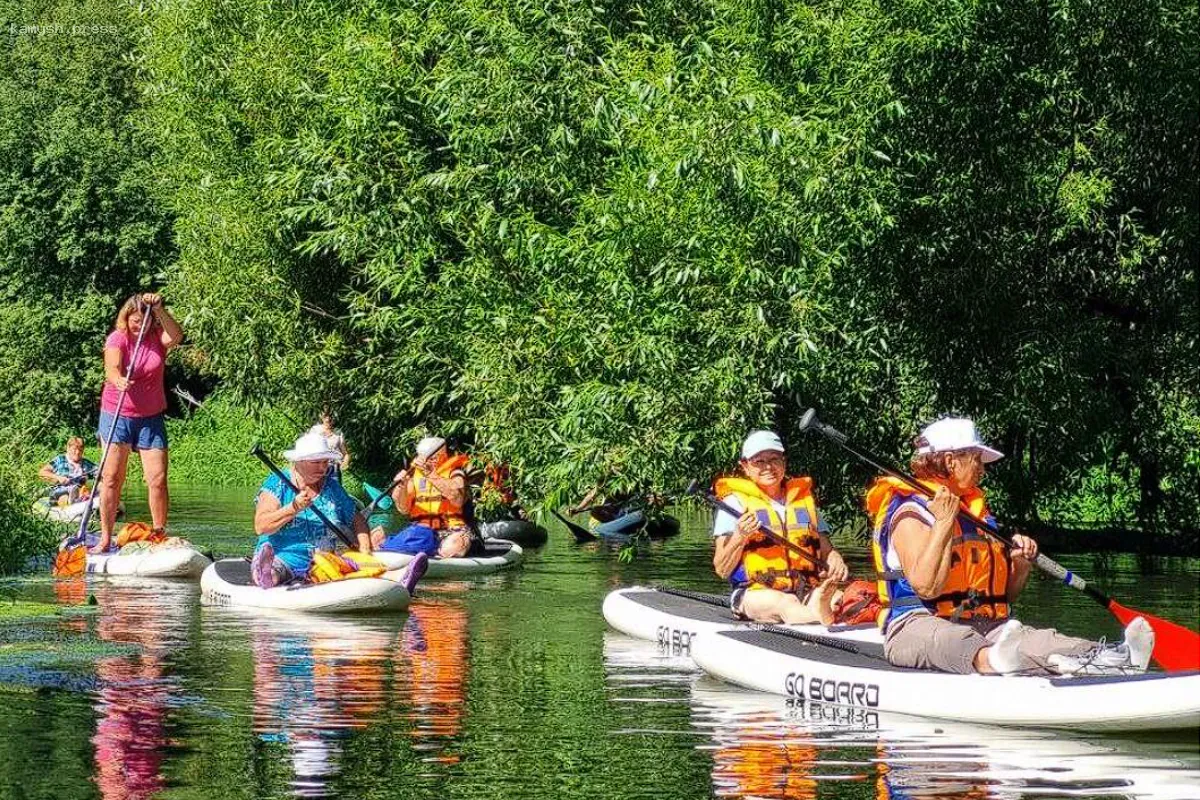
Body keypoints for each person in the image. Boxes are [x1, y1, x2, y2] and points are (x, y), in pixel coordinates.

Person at [868, 416, 1154, 676]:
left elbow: (1007, 597)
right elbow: (926, 587)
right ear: (951, 460)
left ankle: (1114, 657)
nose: (982, 468)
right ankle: (995, 660)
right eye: (977, 459)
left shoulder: (976, 516)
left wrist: (1020, 564)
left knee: (1045, 639)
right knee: (955, 640)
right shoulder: (910, 513)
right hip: (915, 627)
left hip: (987, 626)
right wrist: (943, 523)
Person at [252, 432, 428, 593]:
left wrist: (365, 549)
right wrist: (293, 508)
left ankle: (396, 578)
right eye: (316, 462)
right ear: (298, 462)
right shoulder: (277, 483)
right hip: (284, 557)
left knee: (351, 563)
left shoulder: (332, 487)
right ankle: (267, 574)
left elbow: (356, 520)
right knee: (277, 570)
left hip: (323, 560)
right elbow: (261, 526)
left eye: (325, 462)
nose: (322, 468)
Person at [712, 430, 849, 624]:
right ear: (745, 466)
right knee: (786, 602)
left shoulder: (803, 500)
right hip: (755, 592)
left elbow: (827, 551)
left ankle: (828, 610)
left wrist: (835, 559)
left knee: (843, 600)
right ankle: (823, 616)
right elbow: (722, 569)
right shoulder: (733, 505)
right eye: (759, 461)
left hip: (806, 589)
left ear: (784, 462)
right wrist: (740, 536)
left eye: (774, 459)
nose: (768, 467)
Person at [92, 293, 183, 554]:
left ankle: (158, 533)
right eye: (134, 320)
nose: (138, 324)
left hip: (150, 417)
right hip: (117, 415)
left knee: (157, 479)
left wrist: (160, 309)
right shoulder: (117, 338)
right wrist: (118, 379)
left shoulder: (157, 338)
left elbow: (176, 336)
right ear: (126, 318)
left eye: (143, 319)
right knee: (111, 478)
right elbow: (111, 367)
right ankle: (105, 538)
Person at [373, 437, 472, 559]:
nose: (428, 462)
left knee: (452, 546)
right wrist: (401, 487)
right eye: (424, 457)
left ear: (443, 455)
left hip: (450, 530)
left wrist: (430, 475)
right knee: (375, 537)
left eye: (433, 458)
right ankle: (399, 549)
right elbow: (403, 509)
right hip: (422, 530)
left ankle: (435, 553)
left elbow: (457, 499)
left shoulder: (455, 473)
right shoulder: (414, 476)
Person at [39, 436, 98, 503]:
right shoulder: (60, 460)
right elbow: (42, 472)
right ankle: (68, 500)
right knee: (63, 495)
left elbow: (100, 472)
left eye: (80, 450)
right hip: (62, 490)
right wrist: (58, 478)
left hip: (81, 491)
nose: (77, 452)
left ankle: (79, 498)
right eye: (74, 449)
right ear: (68, 448)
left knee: (91, 489)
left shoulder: (86, 463)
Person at [308, 411, 351, 479]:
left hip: (334, 469)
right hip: (317, 468)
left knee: (335, 488)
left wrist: (345, 462)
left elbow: (346, 454)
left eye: (331, 417)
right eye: (325, 416)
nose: (328, 419)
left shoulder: (338, 433)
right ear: (322, 417)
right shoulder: (315, 430)